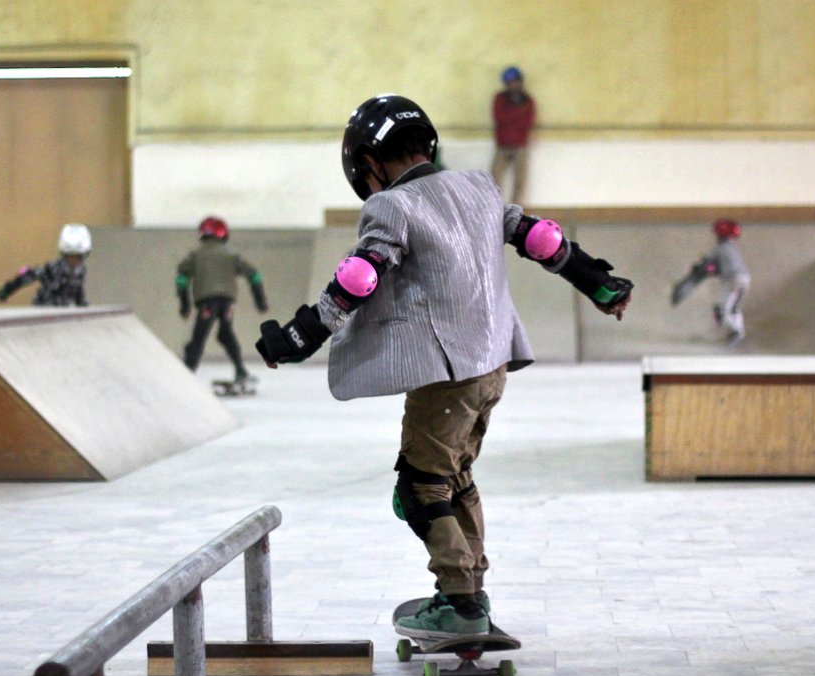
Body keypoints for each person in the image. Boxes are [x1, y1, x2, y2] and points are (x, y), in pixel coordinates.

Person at [255, 95, 633, 639]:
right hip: (492, 364)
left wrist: (300, 336)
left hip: (448, 372)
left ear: (369, 162)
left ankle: (460, 602)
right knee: (453, 478)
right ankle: (468, 590)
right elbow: (540, 238)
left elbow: (361, 276)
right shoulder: (478, 186)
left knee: (418, 487)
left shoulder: (392, 206)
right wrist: (597, 283)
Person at [176, 216, 268, 383]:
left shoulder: (196, 254)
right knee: (226, 334)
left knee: (198, 337)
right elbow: (254, 275)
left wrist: (185, 303)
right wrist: (260, 300)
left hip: (206, 303)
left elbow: (181, 278)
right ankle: (240, 370)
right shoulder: (231, 254)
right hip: (227, 303)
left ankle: (187, 373)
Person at [670, 219, 751, 346]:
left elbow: (708, 266)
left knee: (721, 309)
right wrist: (710, 268)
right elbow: (718, 267)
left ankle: (734, 333)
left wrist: (698, 268)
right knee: (734, 307)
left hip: (732, 280)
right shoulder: (732, 249)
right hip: (744, 279)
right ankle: (738, 332)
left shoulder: (720, 249)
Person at [0, 223, 91, 307]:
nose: (73, 261)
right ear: (64, 255)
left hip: (61, 312)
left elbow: (78, 291)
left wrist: (82, 306)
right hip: (43, 308)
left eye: (77, 257)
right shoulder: (53, 268)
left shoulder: (80, 271)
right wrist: (7, 290)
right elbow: (29, 275)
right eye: (70, 257)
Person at [490, 66, 535, 205]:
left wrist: (510, 117)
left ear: (521, 82)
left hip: (520, 146)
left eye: (515, 81)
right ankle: (494, 207)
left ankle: (516, 210)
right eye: (510, 82)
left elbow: (527, 123)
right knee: (493, 179)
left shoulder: (528, 101)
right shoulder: (499, 99)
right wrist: (518, 113)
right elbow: (499, 118)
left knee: (520, 181)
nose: (513, 85)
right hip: (502, 145)